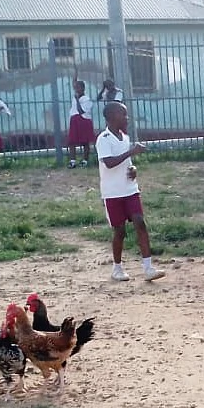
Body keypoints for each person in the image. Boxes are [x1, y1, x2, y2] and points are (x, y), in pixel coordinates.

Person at [96, 102, 165, 282]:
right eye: (123, 115)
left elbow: (126, 163)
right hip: (112, 193)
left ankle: (149, 268)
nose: (127, 118)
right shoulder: (103, 139)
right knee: (120, 232)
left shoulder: (124, 137)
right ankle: (117, 268)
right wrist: (131, 152)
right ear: (111, 117)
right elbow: (109, 162)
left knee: (140, 223)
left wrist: (132, 167)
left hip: (129, 189)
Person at [67, 68, 95, 168]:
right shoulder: (76, 95)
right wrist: (75, 72)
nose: (76, 89)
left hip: (83, 120)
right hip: (74, 119)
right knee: (72, 141)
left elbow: (82, 111)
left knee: (85, 142)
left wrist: (77, 100)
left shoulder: (86, 99)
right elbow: (73, 82)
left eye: (78, 88)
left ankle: (85, 160)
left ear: (83, 89)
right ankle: (72, 161)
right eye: (75, 88)